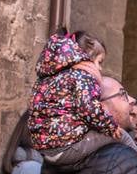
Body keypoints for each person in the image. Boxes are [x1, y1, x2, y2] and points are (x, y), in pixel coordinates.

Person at [28, 29, 121, 159]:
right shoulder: (83, 76)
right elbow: (88, 107)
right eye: (99, 62)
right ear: (87, 56)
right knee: (122, 136)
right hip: (66, 145)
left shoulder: (47, 78)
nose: (100, 68)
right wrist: (110, 126)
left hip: (43, 147)